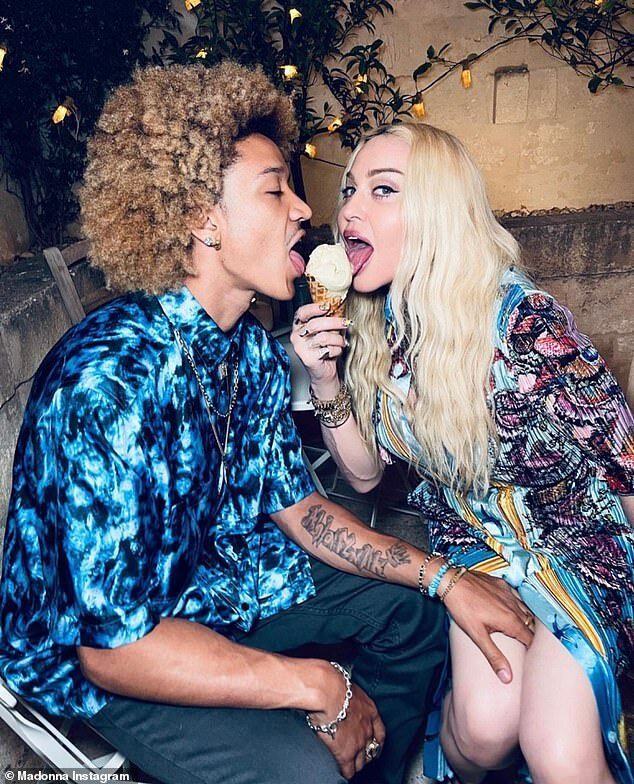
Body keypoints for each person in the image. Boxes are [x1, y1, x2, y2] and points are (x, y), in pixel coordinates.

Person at [0, 67, 532, 784]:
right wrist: (318, 686)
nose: (305, 211)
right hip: (109, 655)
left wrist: (443, 578)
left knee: (419, 618)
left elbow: (302, 509)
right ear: (203, 219)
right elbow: (111, 646)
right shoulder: (108, 380)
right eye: (275, 189)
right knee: (302, 770)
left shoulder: (247, 349)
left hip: (216, 584)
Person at [292, 122, 633, 784]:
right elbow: (363, 476)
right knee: (481, 736)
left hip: (582, 549)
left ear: (439, 212)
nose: (351, 209)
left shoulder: (526, 323)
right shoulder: (372, 326)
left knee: (558, 751)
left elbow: (624, 467)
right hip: (477, 550)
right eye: (351, 190)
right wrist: (327, 379)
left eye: (384, 190)